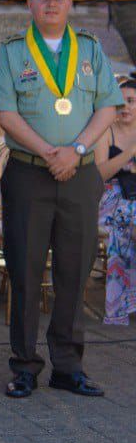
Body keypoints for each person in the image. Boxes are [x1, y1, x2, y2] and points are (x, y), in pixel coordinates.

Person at [0, 0, 123, 399]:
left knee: (75, 270)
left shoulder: (90, 50)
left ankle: (68, 365)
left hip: (81, 176)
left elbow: (107, 106)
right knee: (25, 271)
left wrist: (78, 149)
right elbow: (4, 112)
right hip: (30, 175)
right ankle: (24, 365)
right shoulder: (10, 53)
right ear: (31, 1)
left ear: (70, 2)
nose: (51, 4)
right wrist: (49, 152)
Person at [94, 79, 136, 325]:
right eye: (120, 102)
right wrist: (128, 155)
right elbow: (101, 173)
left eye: (131, 101)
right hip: (109, 198)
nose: (125, 107)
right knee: (124, 224)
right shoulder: (105, 131)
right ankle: (120, 305)